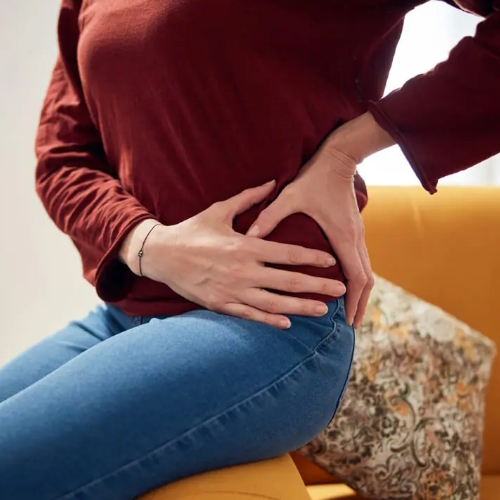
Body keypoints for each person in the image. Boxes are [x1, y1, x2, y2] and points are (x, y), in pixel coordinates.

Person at [1, 1, 499, 499]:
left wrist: (350, 148)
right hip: (124, 314)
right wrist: (148, 244)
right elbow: (61, 155)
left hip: (270, 324)